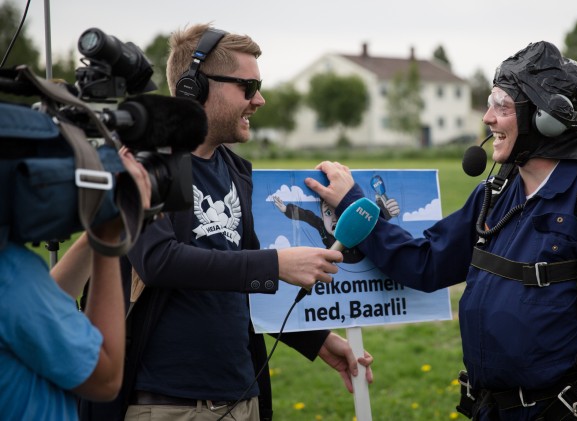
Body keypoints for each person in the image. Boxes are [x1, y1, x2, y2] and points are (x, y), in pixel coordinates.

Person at [306, 41, 577, 420]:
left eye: (503, 105)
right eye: (491, 103)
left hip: (568, 412)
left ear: (545, 118)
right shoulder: (496, 190)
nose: (487, 117)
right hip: (490, 409)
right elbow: (426, 264)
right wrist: (355, 205)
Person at [122, 23, 373, 421]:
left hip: (243, 399)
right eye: (248, 87)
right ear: (196, 87)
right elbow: (158, 260)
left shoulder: (236, 170)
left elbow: (241, 280)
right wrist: (276, 265)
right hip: (169, 405)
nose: (260, 100)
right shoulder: (145, 161)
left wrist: (317, 340)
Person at [0, 148, 151, 420]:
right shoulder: (11, 275)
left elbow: (43, 304)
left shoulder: (17, 283)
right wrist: (108, 234)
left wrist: (91, 237)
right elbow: (105, 380)